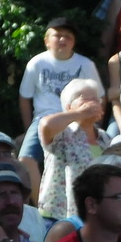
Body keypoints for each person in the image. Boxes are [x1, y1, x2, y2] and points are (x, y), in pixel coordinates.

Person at [35, 78, 111, 222]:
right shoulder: (63, 134)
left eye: (96, 99)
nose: (94, 104)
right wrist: (80, 113)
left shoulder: (105, 138)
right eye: (86, 100)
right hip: (58, 216)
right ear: (69, 106)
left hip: (93, 217)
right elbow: (46, 125)